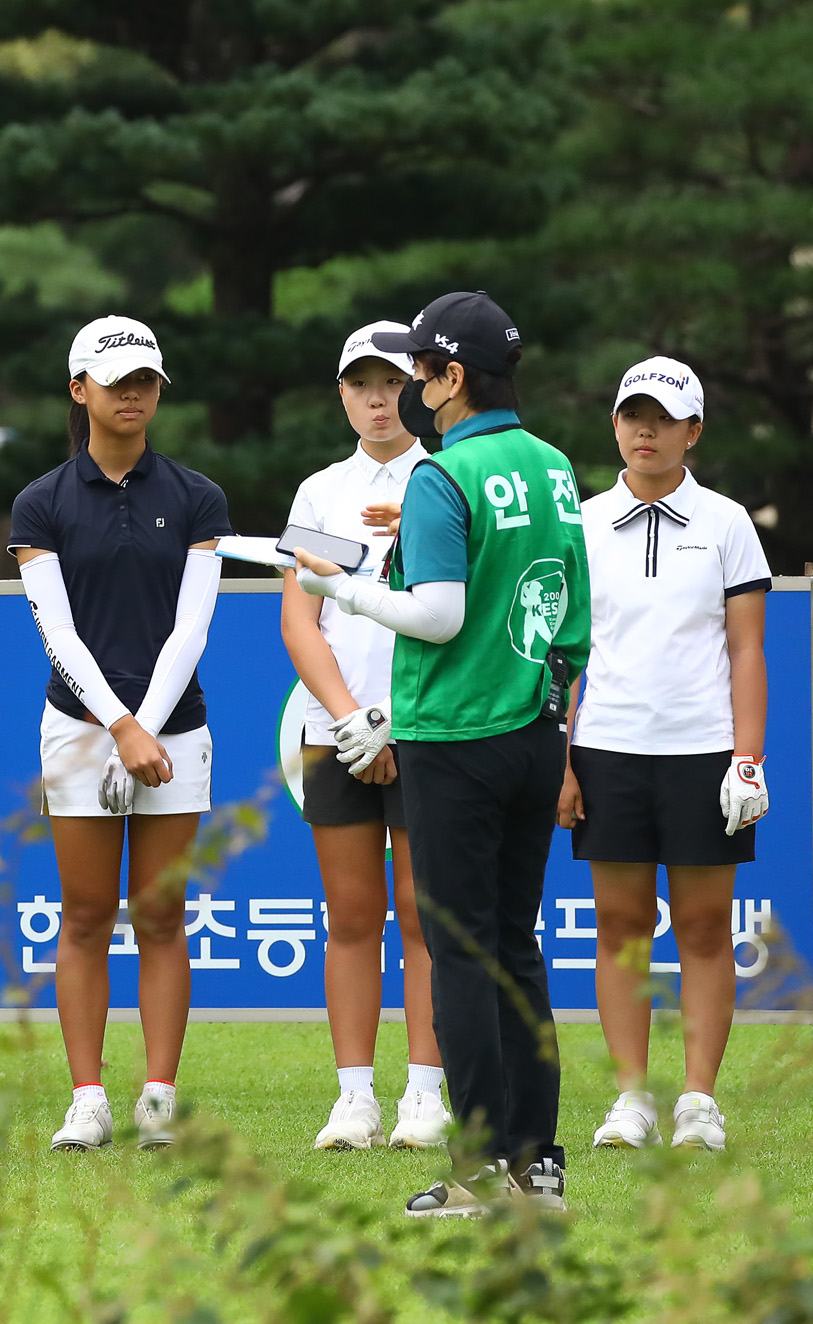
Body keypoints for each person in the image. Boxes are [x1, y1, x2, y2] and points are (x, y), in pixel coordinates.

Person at [295, 291, 590, 1215]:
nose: (412, 389)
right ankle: (538, 1165)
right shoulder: (553, 467)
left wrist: (343, 588)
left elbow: (438, 614)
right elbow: (573, 616)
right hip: (535, 729)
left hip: (454, 737)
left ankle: (475, 1170)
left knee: (460, 951)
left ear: (452, 376)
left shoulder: (442, 474)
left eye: (419, 370)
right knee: (515, 946)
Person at [7, 315, 233, 1152]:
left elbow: (191, 629)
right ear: (81, 391)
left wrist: (149, 727)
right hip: (77, 725)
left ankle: (159, 1097)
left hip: (177, 726)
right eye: (117, 381)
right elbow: (58, 633)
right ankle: (88, 1097)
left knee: (163, 915)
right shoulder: (43, 502)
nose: (135, 393)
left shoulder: (197, 495)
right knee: (86, 914)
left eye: (147, 381)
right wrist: (119, 724)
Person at [556, 358, 770, 1153]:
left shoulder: (727, 522)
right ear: (614, 424)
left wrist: (748, 758)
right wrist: (565, 761)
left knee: (707, 928)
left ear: (693, 431)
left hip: (703, 749)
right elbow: (562, 656)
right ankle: (631, 1100)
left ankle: (699, 1101)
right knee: (622, 926)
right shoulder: (576, 523)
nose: (645, 431)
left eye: (663, 418)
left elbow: (747, 651)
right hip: (606, 747)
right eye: (632, 416)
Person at [281, 323, 451, 1152]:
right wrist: (350, 716)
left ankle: (425, 1093)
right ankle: (355, 1099)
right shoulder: (319, 493)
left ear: (416, 386)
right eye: (361, 384)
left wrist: (394, 721)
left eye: (391, 382)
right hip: (334, 728)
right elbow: (300, 618)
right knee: (351, 916)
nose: (377, 399)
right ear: (342, 392)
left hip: (432, 729)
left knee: (424, 915)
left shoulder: (448, 477)